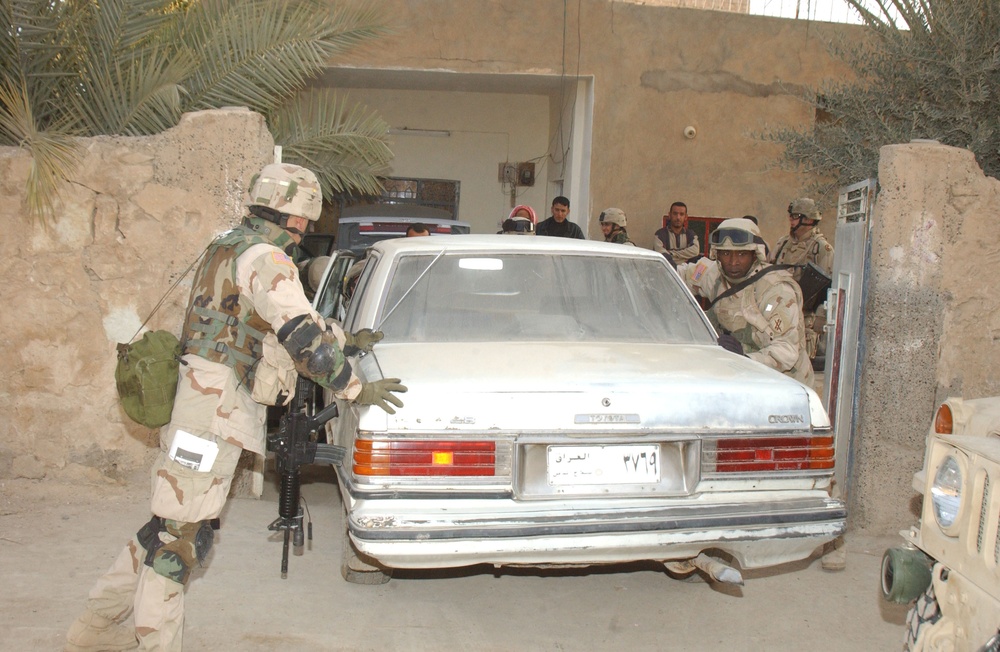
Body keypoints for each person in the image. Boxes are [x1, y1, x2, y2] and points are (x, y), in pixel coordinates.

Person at [65, 163, 407, 652]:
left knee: (169, 525)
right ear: (296, 215)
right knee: (182, 540)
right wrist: (355, 388)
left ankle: (94, 629)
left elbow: (250, 319)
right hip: (214, 415)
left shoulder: (227, 245)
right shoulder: (269, 258)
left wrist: (347, 338)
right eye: (306, 221)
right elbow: (299, 335)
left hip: (198, 400)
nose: (306, 231)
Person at [676, 218, 814, 385]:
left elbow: (786, 351)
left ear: (755, 254)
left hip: (783, 383)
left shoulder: (775, 290)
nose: (733, 262)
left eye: (741, 254)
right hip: (737, 375)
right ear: (716, 254)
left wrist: (744, 358)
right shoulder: (714, 275)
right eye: (726, 253)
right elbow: (677, 276)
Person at [769, 198, 834, 361]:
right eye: (790, 216)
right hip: (778, 312)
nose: (791, 219)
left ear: (809, 219)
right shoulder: (783, 243)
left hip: (804, 316)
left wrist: (821, 316)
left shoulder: (821, 248)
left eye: (795, 216)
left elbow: (827, 286)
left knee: (800, 362)